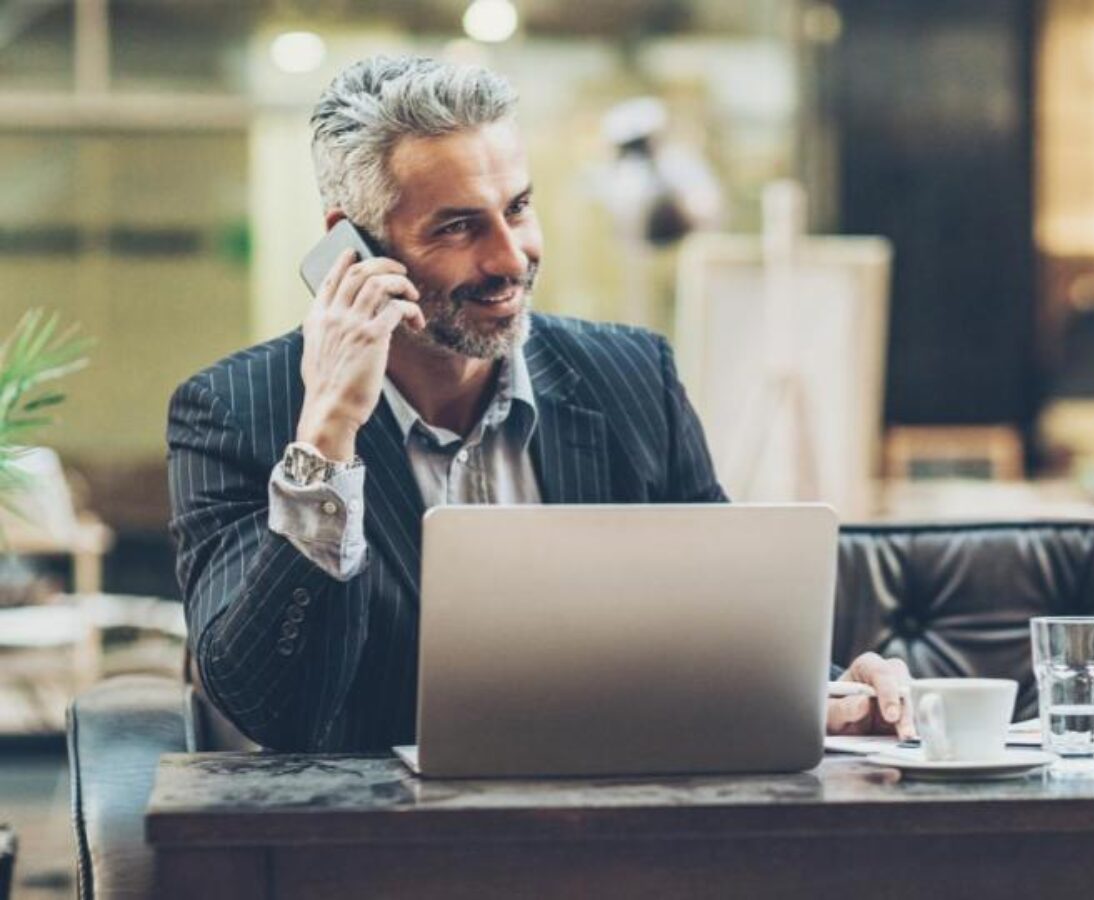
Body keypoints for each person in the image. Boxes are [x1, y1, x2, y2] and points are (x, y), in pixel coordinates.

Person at [167, 55, 910, 753]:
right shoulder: (236, 412)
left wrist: (828, 689)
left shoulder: (631, 376)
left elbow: (722, 626)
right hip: (385, 848)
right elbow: (271, 707)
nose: (509, 258)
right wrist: (328, 437)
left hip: (618, 827)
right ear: (352, 246)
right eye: (458, 226)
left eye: (517, 209)